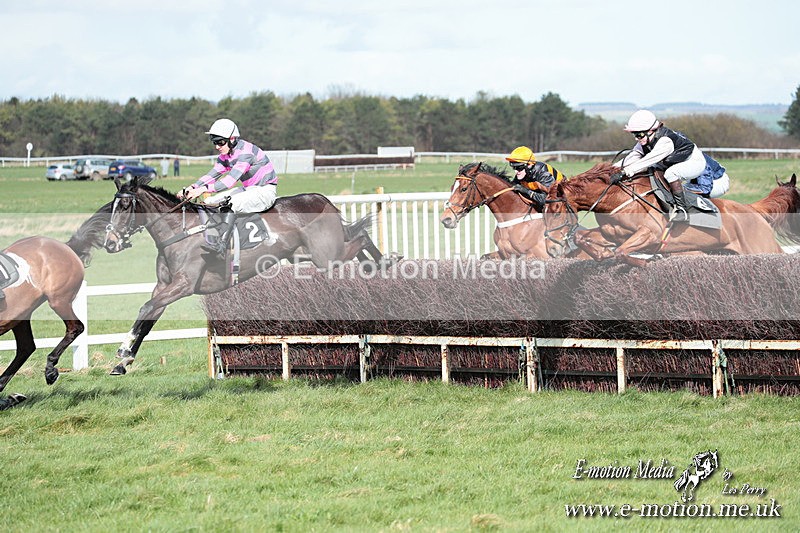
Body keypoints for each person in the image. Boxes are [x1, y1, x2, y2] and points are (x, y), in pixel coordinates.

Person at [178, 118, 278, 257]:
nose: (217, 146)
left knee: (229, 204)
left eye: (220, 142)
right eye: (214, 142)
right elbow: (213, 175)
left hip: (265, 190)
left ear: (232, 139)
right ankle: (211, 236)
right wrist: (192, 187)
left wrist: (202, 189)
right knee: (209, 202)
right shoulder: (226, 155)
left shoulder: (245, 152)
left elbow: (229, 181)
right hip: (249, 189)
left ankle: (222, 245)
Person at [612, 110, 728, 223]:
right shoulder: (646, 139)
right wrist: (612, 169)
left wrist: (626, 172)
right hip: (687, 167)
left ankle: (682, 211)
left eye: (639, 135)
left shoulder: (665, 142)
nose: (637, 138)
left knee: (671, 173)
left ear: (651, 130)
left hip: (697, 165)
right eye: (635, 135)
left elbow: (647, 161)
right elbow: (633, 156)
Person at [505, 146, 567, 211]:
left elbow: (549, 200)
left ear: (529, 165)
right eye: (514, 168)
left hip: (564, 199)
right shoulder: (524, 173)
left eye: (519, 168)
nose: (516, 171)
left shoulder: (543, 174)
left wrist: (526, 191)